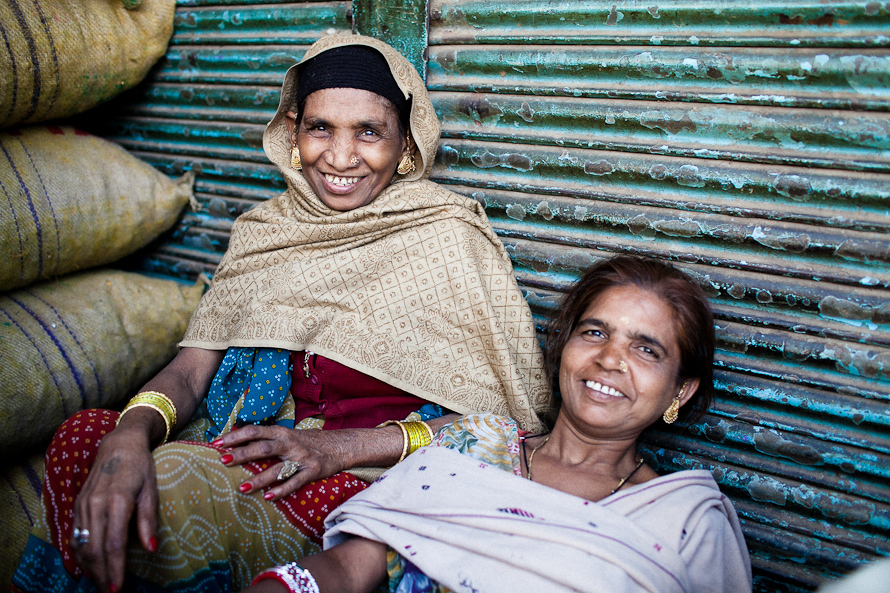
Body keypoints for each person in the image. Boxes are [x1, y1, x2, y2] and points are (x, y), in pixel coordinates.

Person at [11, 34, 553, 593]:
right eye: (321, 128)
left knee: (176, 482)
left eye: (369, 132)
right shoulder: (263, 232)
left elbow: (508, 425)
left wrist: (337, 447)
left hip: (364, 483)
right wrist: (130, 433)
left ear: (408, 145)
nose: (340, 158)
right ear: (292, 131)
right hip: (250, 449)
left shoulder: (449, 238)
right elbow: (192, 370)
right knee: (86, 439)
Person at [241, 255, 753, 593]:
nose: (610, 360)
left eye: (646, 349)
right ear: (564, 351)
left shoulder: (685, 520)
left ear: (680, 391)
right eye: (594, 332)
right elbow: (355, 566)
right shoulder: (476, 445)